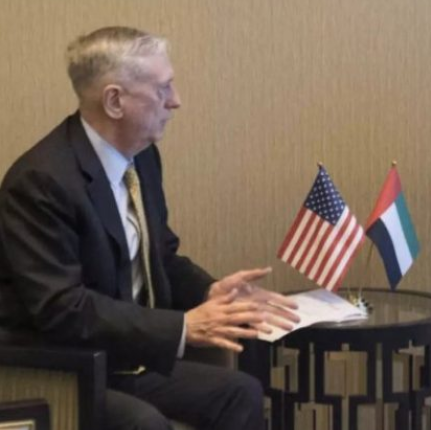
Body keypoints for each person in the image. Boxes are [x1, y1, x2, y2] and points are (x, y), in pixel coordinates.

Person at [0, 26, 300, 430]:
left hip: (124, 357)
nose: (176, 101)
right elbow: (63, 309)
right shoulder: (41, 181)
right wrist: (182, 327)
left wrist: (209, 291)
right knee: (145, 424)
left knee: (240, 393)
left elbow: (161, 256)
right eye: (163, 89)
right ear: (114, 101)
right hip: (61, 367)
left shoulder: (141, 157)